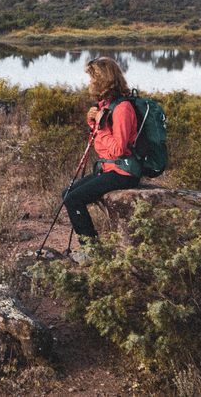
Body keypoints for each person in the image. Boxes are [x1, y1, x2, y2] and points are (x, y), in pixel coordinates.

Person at [61, 56, 141, 258]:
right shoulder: (107, 105)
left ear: (103, 80)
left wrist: (102, 126)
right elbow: (102, 145)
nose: (89, 82)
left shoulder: (123, 109)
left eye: (92, 78)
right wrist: (93, 123)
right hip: (109, 168)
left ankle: (92, 251)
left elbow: (117, 150)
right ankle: (91, 246)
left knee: (73, 199)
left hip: (123, 172)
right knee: (67, 193)